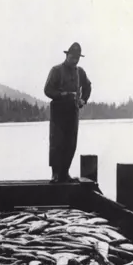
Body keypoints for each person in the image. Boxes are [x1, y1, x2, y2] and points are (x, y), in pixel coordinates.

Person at [44, 42, 92, 183]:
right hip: (58, 113)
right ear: (67, 55)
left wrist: (83, 100)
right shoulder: (56, 70)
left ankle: (65, 173)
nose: (74, 60)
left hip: (73, 112)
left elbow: (88, 86)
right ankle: (56, 174)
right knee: (57, 142)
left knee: (71, 143)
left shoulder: (80, 72)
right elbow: (47, 90)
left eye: (77, 58)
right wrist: (62, 95)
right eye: (72, 57)